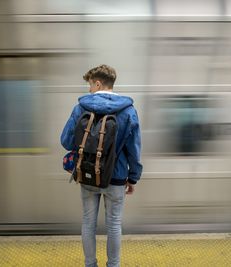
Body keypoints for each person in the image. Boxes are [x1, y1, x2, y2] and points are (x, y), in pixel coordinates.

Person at [60, 64, 143, 267]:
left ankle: (91, 264)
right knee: (114, 225)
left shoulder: (80, 107)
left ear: (97, 83)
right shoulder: (129, 110)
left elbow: (66, 141)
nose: (89, 90)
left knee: (88, 223)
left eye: (90, 85)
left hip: (88, 174)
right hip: (116, 177)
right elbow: (134, 149)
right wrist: (132, 177)